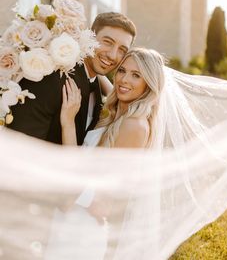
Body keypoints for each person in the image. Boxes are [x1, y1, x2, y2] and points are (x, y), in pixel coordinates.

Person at [45, 47, 165, 259]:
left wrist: (68, 123)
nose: (124, 80)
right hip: (71, 218)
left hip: (81, 229)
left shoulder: (134, 126)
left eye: (136, 75)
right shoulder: (119, 113)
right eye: (122, 71)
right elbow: (109, 83)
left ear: (149, 84)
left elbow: (99, 198)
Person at [8, 12, 136, 145]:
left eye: (122, 50)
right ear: (89, 36)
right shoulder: (52, 79)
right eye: (108, 42)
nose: (113, 55)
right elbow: (22, 142)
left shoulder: (96, 86)